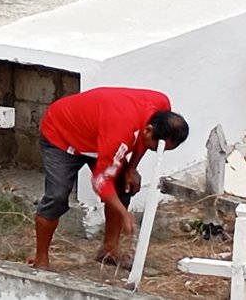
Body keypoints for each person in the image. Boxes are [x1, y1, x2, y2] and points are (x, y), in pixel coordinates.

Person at [29, 87, 188, 270]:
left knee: (124, 186)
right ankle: (41, 258)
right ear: (148, 130)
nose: (157, 152)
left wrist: (131, 168)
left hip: (100, 136)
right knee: (56, 196)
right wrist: (124, 213)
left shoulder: (161, 106)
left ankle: (109, 250)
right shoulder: (120, 131)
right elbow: (100, 181)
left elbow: (143, 142)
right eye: (156, 148)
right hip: (62, 136)